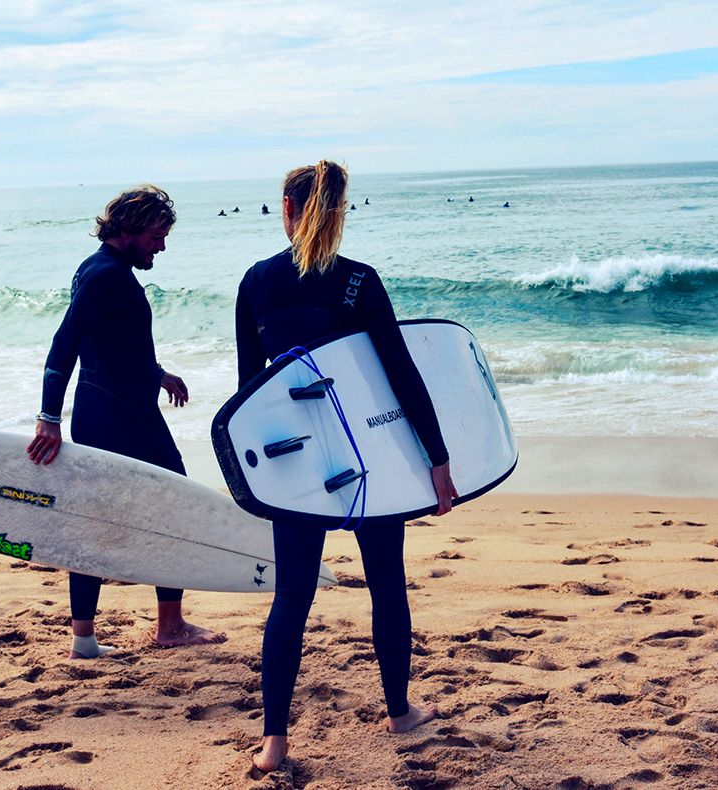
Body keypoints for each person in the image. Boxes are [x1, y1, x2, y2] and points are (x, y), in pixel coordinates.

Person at [234, 161, 456, 773]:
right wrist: (438, 459)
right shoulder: (360, 281)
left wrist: (257, 478)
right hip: (368, 460)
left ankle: (274, 743)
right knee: (386, 583)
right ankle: (399, 714)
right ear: (338, 212)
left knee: (291, 597)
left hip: (296, 464)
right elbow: (400, 375)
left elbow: (249, 394)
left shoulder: (256, 282)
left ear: (287, 209)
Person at [27, 184, 225, 659]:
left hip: (104, 411)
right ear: (129, 229)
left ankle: (84, 641)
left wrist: (158, 374)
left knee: (92, 521)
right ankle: (170, 626)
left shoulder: (95, 268)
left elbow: (112, 344)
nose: (161, 246)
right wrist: (48, 417)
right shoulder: (109, 277)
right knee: (174, 506)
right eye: (156, 236)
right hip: (125, 419)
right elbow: (65, 343)